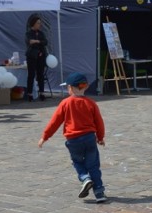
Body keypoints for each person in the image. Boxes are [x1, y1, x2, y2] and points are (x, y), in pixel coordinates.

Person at [37, 72, 107, 203]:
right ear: (85, 87)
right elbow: (99, 122)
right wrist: (100, 137)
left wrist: (45, 137)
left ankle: (85, 178)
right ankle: (99, 193)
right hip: (90, 138)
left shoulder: (65, 103)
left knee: (78, 162)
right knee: (93, 166)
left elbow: (54, 122)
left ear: (70, 88)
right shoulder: (91, 103)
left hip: (73, 140)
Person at [25, 15, 48, 101]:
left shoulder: (41, 33)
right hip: (32, 56)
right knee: (31, 75)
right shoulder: (28, 33)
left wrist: (37, 41)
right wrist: (38, 42)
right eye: (38, 23)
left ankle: (42, 93)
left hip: (41, 56)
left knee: (40, 74)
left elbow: (45, 42)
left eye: (40, 23)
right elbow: (29, 42)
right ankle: (30, 94)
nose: (39, 25)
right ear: (33, 24)